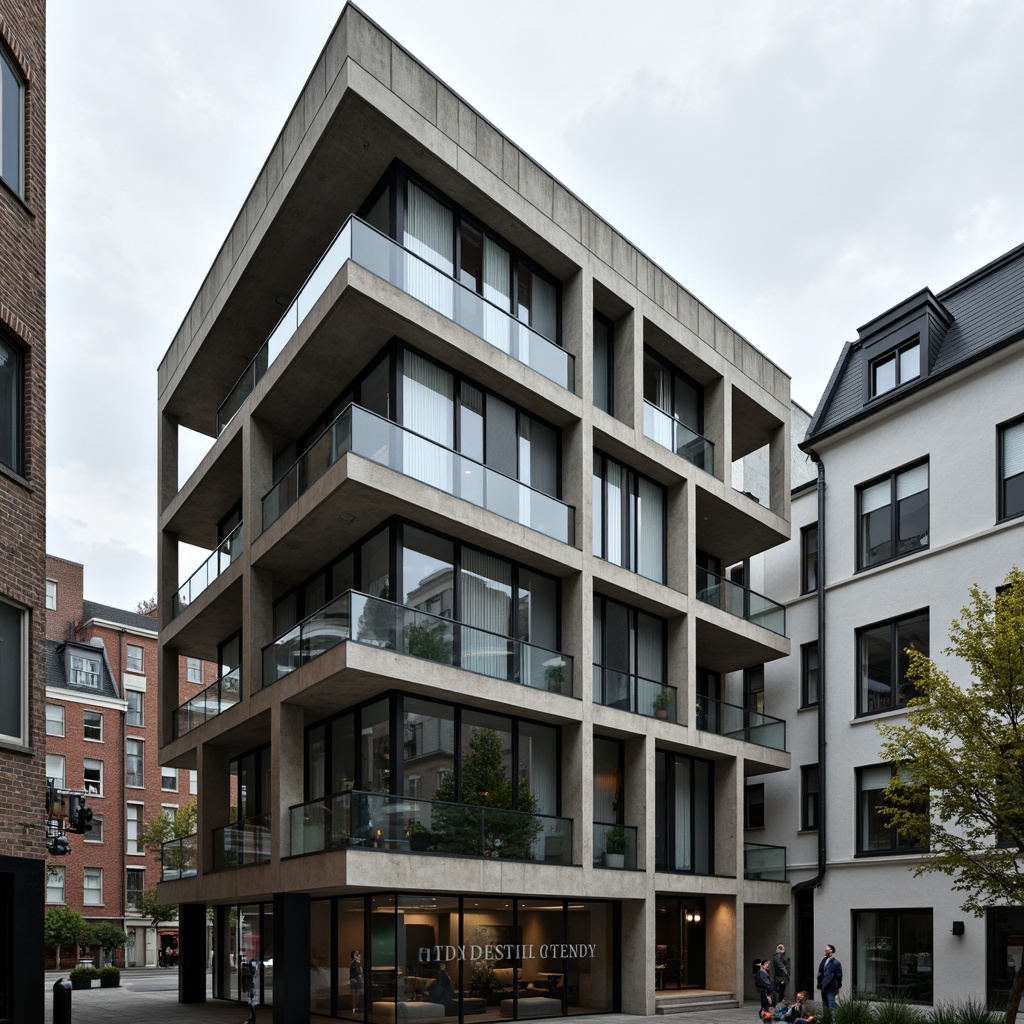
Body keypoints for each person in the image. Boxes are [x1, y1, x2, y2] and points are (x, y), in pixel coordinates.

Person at [817, 945, 843, 1010]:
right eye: (825, 950)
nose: (825, 951)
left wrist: (837, 987)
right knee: (825, 1006)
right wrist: (819, 984)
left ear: (831, 950)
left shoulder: (836, 963)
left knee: (832, 1006)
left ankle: (833, 1020)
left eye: (827, 950)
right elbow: (820, 972)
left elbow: (838, 976)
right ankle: (826, 1019)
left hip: (831, 987)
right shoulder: (823, 961)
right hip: (823, 986)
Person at [247, 960, 260, 1024]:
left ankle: (253, 1019)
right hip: (253, 991)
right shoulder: (252, 974)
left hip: (254, 992)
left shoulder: (255, 974)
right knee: (252, 1006)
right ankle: (252, 1019)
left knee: (253, 1006)